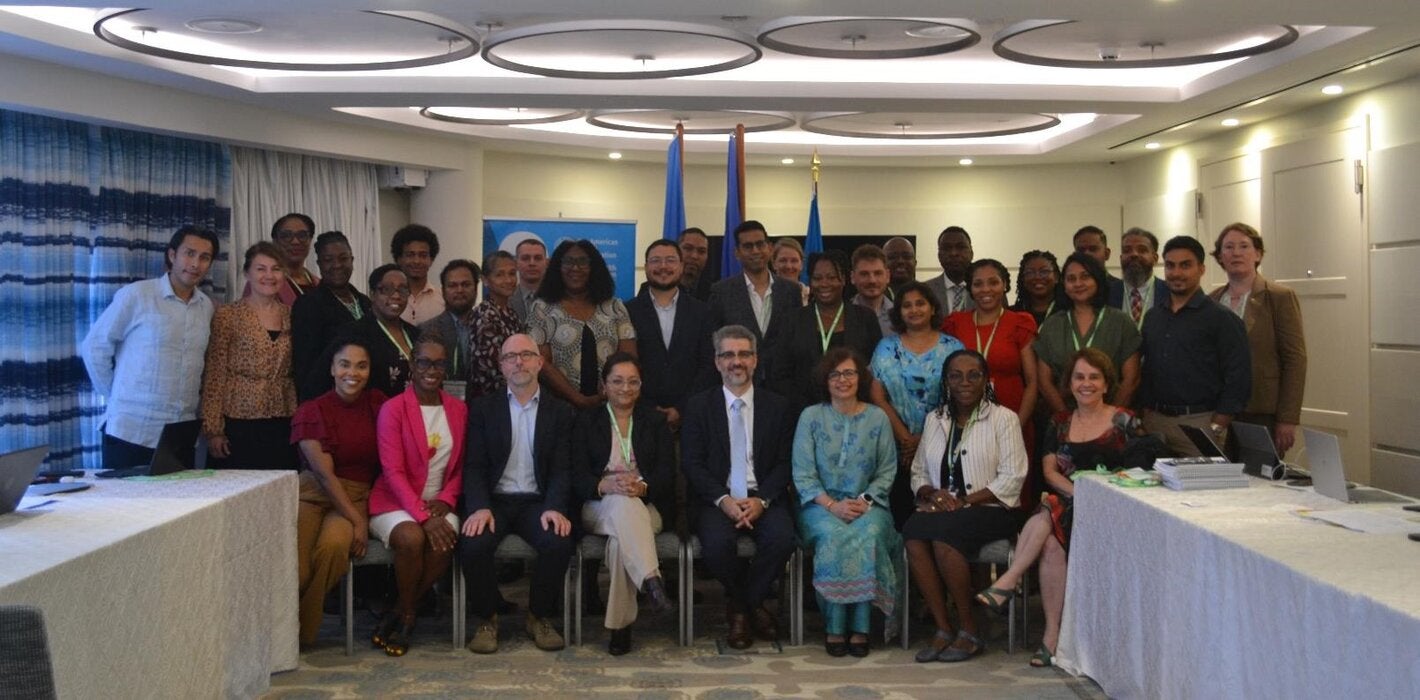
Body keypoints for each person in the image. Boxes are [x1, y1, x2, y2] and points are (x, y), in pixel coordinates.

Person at [976, 348, 1140, 668]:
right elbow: (1050, 472)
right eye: (1079, 377)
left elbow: (1139, 474)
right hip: (1070, 501)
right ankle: (1052, 636)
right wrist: (1081, 493)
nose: (1086, 383)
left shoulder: (1126, 420)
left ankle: (1009, 580)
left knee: (1047, 512)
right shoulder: (1059, 421)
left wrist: (1095, 495)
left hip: (1112, 509)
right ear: (1069, 383)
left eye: (1094, 377)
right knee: (1050, 539)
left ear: (1107, 384)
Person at [903, 350, 1027, 663]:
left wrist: (963, 501)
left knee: (945, 538)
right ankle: (944, 627)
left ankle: (970, 629)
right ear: (946, 381)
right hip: (945, 509)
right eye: (956, 376)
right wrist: (931, 493)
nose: (965, 382)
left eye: (974, 375)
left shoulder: (1004, 418)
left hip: (993, 509)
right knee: (912, 531)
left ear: (986, 380)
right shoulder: (936, 419)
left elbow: (1013, 477)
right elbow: (918, 471)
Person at [680, 325, 797, 650]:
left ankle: (740, 607)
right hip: (716, 499)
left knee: (782, 539)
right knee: (717, 545)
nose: (736, 361)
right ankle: (752, 607)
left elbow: (785, 462)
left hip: (764, 497)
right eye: (728, 354)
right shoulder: (699, 406)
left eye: (744, 354)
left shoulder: (778, 405)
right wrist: (723, 499)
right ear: (717, 362)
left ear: (755, 359)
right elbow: (692, 463)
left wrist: (762, 500)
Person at [460, 334, 576, 654]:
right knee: (473, 543)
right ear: (501, 366)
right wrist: (480, 507)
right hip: (495, 500)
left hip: (536, 503)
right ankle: (487, 619)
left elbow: (562, 469)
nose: (519, 362)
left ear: (540, 362)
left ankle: (538, 616)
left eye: (526, 355)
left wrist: (554, 506)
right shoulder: (483, 409)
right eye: (511, 357)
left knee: (558, 541)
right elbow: (474, 466)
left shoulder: (560, 412)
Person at [792, 348, 901, 658]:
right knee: (834, 535)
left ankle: (862, 628)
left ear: (860, 378)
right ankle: (835, 627)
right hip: (819, 506)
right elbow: (803, 474)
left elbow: (886, 471)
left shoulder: (878, 417)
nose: (843, 380)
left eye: (849, 373)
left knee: (867, 535)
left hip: (870, 505)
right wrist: (832, 506)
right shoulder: (810, 416)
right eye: (835, 374)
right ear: (825, 381)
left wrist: (863, 502)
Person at [81, 225, 218, 468]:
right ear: (172, 255)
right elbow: (95, 347)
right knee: (126, 506)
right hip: (131, 430)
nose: (195, 263)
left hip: (179, 434)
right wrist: (116, 396)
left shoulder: (206, 306)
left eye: (204, 257)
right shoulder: (137, 295)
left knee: (180, 506)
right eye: (189, 253)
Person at [572, 353, 676, 655]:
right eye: (617, 381)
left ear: (641, 386)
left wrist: (642, 486)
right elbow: (575, 474)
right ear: (604, 386)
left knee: (621, 539)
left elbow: (667, 475)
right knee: (619, 503)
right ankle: (651, 579)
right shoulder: (586, 420)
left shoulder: (654, 421)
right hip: (598, 504)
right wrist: (603, 484)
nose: (625, 388)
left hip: (645, 505)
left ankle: (621, 625)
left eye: (632, 381)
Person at [368, 335, 466, 656]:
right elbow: (392, 472)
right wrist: (422, 516)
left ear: (447, 368)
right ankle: (410, 614)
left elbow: (461, 467)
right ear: (412, 365)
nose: (431, 370)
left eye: (439, 363)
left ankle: (399, 610)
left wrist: (447, 500)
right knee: (412, 538)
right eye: (424, 362)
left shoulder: (458, 409)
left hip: (440, 500)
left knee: (444, 537)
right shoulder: (392, 409)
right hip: (395, 502)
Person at [291, 336, 388, 647]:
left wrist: (356, 517)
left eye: (362, 366)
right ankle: (279, 627)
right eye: (345, 364)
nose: (353, 373)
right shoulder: (312, 409)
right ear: (332, 369)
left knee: (333, 547)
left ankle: (300, 632)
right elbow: (323, 474)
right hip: (313, 492)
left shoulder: (378, 405)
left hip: (356, 494)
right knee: (299, 568)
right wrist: (359, 522)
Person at [1139, 236, 1251, 456]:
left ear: (1201, 269)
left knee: (1202, 491)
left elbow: (1239, 378)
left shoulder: (1221, 319)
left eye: (1185, 265)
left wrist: (1217, 425)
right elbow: (1147, 369)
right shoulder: (1153, 317)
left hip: (1200, 424)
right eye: (1170, 265)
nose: (1176, 273)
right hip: (1155, 423)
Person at [869, 281, 964, 527]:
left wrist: (924, 439)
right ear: (898, 312)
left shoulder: (953, 348)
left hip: (942, 444)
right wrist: (906, 439)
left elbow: (961, 398)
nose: (914, 310)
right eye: (907, 305)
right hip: (896, 447)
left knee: (938, 520)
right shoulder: (886, 347)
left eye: (920, 303)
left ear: (933, 308)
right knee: (900, 517)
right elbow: (877, 396)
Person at [1208, 223, 1307, 455]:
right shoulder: (1211, 300)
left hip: (1262, 411)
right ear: (1220, 257)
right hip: (1217, 410)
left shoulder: (1279, 297)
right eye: (1228, 247)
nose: (1236, 253)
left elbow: (1295, 360)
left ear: (1258, 254)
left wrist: (1288, 419)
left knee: (1260, 481)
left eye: (1244, 246)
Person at [201, 241, 299, 469]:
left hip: (283, 419)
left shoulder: (295, 315)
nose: (269, 275)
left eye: (276, 269)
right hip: (238, 420)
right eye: (261, 269)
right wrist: (214, 429)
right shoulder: (228, 315)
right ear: (247, 273)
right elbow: (215, 372)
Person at [527, 239, 637, 410]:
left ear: (594, 267)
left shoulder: (615, 307)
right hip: (559, 408)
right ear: (558, 267)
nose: (575, 268)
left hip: (610, 405)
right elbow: (540, 362)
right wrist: (577, 398)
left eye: (582, 262)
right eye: (568, 262)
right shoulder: (542, 308)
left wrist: (609, 390)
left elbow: (628, 357)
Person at [941, 259, 1039, 448]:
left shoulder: (1020, 322)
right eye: (978, 284)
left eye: (993, 282)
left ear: (1004, 285)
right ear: (970, 288)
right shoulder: (955, 323)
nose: (986, 289)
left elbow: (1032, 381)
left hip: (1013, 413)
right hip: (965, 416)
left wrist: (1017, 424)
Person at [772, 249, 882, 416]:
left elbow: (875, 370)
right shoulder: (792, 320)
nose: (824, 284)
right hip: (804, 413)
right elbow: (779, 374)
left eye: (832, 277)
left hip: (855, 411)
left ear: (844, 279)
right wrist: (807, 408)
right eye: (817, 278)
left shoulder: (865, 318)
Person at [625, 240, 716, 432]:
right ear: (646, 266)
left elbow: (708, 365)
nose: (663, 266)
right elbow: (626, 364)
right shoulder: (627, 311)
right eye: (656, 261)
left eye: (670, 260)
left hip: (692, 416)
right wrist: (649, 406)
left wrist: (681, 409)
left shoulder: (703, 311)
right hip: (640, 414)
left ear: (682, 266)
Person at [1035, 253, 1141, 417]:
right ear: (1064, 285)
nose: (1078, 284)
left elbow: (1131, 379)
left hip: (1111, 422)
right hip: (1064, 420)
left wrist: (1108, 418)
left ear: (1098, 280)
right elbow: (1043, 381)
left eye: (1085, 277)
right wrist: (1067, 418)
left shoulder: (1121, 322)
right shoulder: (1053, 324)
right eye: (1071, 279)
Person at [708, 221, 804, 383]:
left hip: (782, 385)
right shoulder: (721, 292)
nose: (755, 251)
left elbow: (796, 340)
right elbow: (715, 341)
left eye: (760, 244)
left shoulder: (791, 291)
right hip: (738, 383)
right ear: (737, 253)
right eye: (748, 246)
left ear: (770, 248)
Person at [292, 231, 373, 401]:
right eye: (328, 260)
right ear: (319, 264)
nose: (337, 265)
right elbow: (305, 367)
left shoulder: (366, 302)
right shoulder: (308, 304)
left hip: (366, 399)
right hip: (328, 402)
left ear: (352, 260)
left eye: (343, 258)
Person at [338, 264, 420, 398]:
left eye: (403, 290)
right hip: (377, 413)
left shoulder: (415, 334)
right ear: (372, 294)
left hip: (414, 412)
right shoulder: (356, 333)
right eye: (387, 289)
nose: (396, 295)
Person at [467, 250, 526, 399]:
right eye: (500, 275)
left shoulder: (511, 313)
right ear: (485, 280)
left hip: (516, 394)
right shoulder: (484, 314)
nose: (508, 280)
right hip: (493, 400)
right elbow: (492, 369)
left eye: (512, 273)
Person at [419, 259, 481, 385]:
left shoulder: (487, 327)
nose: (459, 290)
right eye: (452, 285)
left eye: (466, 284)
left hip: (483, 401)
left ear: (476, 288)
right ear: (443, 291)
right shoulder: (426, 330)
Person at [243, 213, 320, 304]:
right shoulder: (262, 281)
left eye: (302, 235)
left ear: (310, 240)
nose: (295, 242)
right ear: (275, 241)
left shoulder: (318, 283)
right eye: (287, 236)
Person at [1108, 227, 1170, 329]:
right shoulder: (1107, 293)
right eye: (1127, 250)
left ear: (1155, 258)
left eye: (1142, 250)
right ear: (1120, 258)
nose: (1134, 254)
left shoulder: (1169, 293)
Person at [392, 224, 444, 326]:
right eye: (410, 255)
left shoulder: (443, 299)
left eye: (423, 255)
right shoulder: (388, 300)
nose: (416, 261)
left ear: (431, 260)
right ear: (399, 259)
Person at [925, 226, 974, 314]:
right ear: (939, 255)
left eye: (961, 247)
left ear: (971, 253)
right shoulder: (925, 290)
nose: (953, 253)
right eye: (947, 248)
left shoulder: (987, 291)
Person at [850, 244, 895, 336]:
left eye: (878, 273)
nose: (872, 280)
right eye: (864, 274)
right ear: (853, 277)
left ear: (887, 276)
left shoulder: (901, 316)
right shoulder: (843, 317)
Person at [1011, 250, 1064, 327]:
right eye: (1030, 272)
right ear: (1023, 279)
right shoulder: (1013, 314)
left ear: (1056, 277)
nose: (1037, 277)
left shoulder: (1068, 311)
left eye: (1044, 271)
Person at [510, 238, 548, 323]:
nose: (532, 263)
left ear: (546, 263)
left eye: (538, 258)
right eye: (525, 258)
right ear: (515, 263)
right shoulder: (505, 300)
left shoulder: (560, 300)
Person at [677, 227, 715, 302]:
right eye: (688, 248)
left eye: (701, 251)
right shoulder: (654, 291)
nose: (694, 256)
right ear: (676, 251)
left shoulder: (715, 294)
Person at [771, 237, 810, 305]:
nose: (788, 266)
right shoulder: (765, 296)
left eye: (794, 261)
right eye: (783, 260)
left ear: (802, 265)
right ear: (774, 264)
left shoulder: (813, 297)